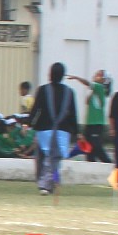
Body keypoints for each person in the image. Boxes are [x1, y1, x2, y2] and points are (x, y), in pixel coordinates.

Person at [28, 61, 79, 194]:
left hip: (44, 129)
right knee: (54, 159)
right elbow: (73, 113)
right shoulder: (69, 92)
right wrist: (76, 131)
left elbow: (36, 109)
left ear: (50, 74)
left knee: (42, 158)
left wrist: (29, 123)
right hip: (62, 130)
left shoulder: (43, 90)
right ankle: (50, 183)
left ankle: (45, 184)